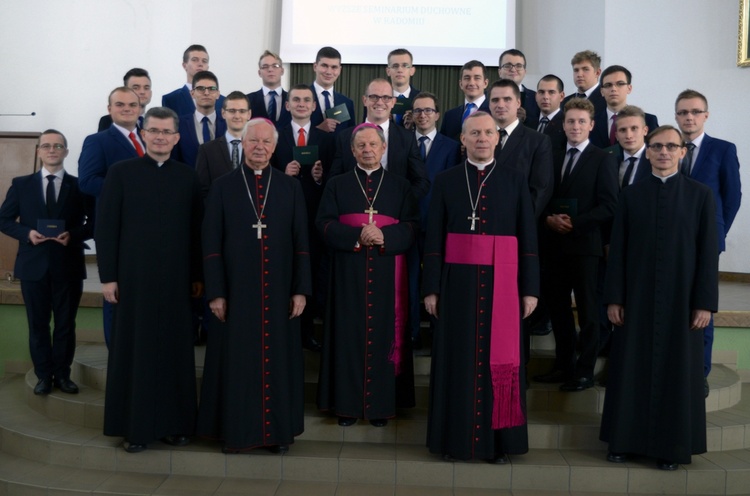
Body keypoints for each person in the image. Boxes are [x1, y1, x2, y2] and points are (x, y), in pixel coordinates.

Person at [422, 111, 539, 463]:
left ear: (498, 138)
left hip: (503, 285)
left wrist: (530, 288)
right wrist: (431, 288)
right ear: (463, 139)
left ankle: (499, 444)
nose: (482, 139)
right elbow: (433, 238)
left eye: (489, 133)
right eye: (474, 133)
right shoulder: (445, 180)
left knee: (498, 362)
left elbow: (528, 237)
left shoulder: (515, 179)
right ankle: (453, 441)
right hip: (456, 284)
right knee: (457, 361)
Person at [601, 125, 718, 470]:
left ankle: (671, 448)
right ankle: (623, 442)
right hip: (635, 300)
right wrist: (614, 298)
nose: (664, 152)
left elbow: (708, 254)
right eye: (657, 146)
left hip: (683, 303)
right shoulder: (631, 195)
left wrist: (704, 303)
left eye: (671, 146)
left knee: (676, 373)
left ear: (682, 151)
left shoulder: (700, 196)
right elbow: (618, 250)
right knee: (630, 370)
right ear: (647, 151)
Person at [198, 118, 312, 454]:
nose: (259, 147)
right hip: (235, 292)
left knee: (277, 363)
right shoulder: (222, 186)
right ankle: (236, 433)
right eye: (253, 141)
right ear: (242, 144)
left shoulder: (290, 188)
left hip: (279, 293)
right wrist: (216, 292)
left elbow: (301, 241)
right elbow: (211, 243)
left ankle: (276, 434)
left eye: (266, 142)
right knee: (237, 363)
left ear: (275, 147)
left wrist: (300, 289)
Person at [97, 107, 203, 453]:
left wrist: (198, 277)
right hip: (133, 280)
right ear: (143, 133)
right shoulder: (121, 173)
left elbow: (196, 233)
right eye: (154, 130)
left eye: (167, 132)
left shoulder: (188, 177)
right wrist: (108, 277)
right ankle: (135, 428)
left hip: (176, 282)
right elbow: (107, 229)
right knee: (136, 353)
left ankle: (175, 425)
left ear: (176, 137)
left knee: (174, 352)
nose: (160, 137)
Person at [316, 123, 418, 427]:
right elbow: (323, 224)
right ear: (352, 150)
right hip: (348, 273)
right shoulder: (337, 184)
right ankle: (346, 406)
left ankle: (380, 407)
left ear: (384, 148)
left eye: (373, 145)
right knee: (347, 336)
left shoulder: (401, 185)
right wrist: (358, 236)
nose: (367, 150)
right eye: (361, 145)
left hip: (389, 275)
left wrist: (384, 236)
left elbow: (413, 227)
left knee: (386, 334)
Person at [0, 129, 95, 396]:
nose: (52, 150)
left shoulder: (80, 186)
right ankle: (43, 375)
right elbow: (4, 220)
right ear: (38, 151)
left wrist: (73, 235)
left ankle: (63, 375)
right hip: (33, 266)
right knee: (38, 324)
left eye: (57, 146)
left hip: (68, 265)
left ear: (65, 151)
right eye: (46, 146)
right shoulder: (21, 184)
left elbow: (95, 224)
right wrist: (27, 233)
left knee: (66, 324)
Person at [534, 98, 618, 391]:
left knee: (588, 312)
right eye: (570, 121)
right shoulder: (551, 155)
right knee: (557, 310)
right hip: (553, 245)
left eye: (582, 121)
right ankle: (563, 364)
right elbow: (541, 196)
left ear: (592, 125)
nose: (575, 126)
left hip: (585, 247)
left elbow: (610, 205)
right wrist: (547, 219)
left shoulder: (603, 158)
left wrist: (576, 222)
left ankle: (584, 371)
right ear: (563, 124)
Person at [674, 89, 742, 396]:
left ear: (706, 115)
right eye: (683, 112)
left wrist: (717, 232)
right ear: (676, 116)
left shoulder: (723, 149)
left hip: (706, 240)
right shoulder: (668, 147)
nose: (689, 117)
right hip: (672, 239)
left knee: (702, 304)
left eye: (695, 112)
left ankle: (699, 371)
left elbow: (733, 197)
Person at [78, 86, 145, 348]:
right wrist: (126, 192)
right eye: (120, 105)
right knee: (116, 299)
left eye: (132, 105)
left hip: (147, 231)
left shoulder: (148, 138)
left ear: (140, 109)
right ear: (110, 109)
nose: (127, 109)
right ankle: (116, 354)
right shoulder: (98, 141)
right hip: (117, 231)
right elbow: (87, 181)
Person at [272, 84, 336, 352]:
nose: (301, 104)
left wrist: (320, 180)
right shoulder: (275, 136)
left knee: (308, 275)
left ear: (313, 106)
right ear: (287, 105)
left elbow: (334, 180)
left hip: (313, 218)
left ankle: (307, 332)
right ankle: (280, 332)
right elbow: (265, 176)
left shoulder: (327, 140)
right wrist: (283, 175)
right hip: (280, 218)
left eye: (306, 100)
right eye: (295, 99)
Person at [409, 92, 460, 348]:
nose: (423, 115)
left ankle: (438, 335)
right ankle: (413, 334)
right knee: (409, 284)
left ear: (437, 114)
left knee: (437, 283)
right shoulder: (402, 142)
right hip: (408, 223)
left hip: (438, 225)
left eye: (428, 110)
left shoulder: (451, 147)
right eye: (418, 111)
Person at [330, 78, 430, 200]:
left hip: (393, 213)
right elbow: (334, 179)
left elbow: (421, 181)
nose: (380, 102)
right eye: (374, 97)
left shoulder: (407, 138)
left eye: (386, 97)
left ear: (393, 102)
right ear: (364, 100)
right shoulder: (345, 136)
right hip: (353, 210)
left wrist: (402, 203)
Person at [488, 79, 554, 218]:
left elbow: (540, 190)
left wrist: (519, 220)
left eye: (507, 99)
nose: (500, 105)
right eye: (495, 100)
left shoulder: (538, 141)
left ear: (518, 103)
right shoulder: (479, 140)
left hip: (517, 226)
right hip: (481, 223)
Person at [195, 91, 252, 199]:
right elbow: (202, 190)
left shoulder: (258, 149)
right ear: (223, 113)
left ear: (249, 114)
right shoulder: (207, 150)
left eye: (242, 111)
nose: (237, 116)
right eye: (232, 111)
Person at [589, 65, 659, 149]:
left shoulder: (648, 120)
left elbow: (655, 150)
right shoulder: (591, 122)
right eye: (608, 85)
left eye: (620, 84)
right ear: (602, 91)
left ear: (629, 88)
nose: (614, 89)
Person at [172, 71, 227, 168]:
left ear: (218, 94)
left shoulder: (227, 122)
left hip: (221, 181)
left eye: (212, 89)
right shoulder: (179, 124)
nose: (206, 93)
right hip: (189, 181)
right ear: (192, 93)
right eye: (201, 88)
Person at [161, 44, 224, 116]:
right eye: (195, 60)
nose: (200, 64)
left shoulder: (223, 101)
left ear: (207, 67)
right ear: (184, 65)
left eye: (204, 61)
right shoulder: (171, 100)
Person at [309, 46, 356, 134]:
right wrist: (318, 129)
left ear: (340, 70)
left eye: (334, 67)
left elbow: (350, 137)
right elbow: (288, 133)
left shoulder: (347, 103)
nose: (329, 72)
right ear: (315, 66)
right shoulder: (300, 98)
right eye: (324, 66)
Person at [440, 60, 490, 142]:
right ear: (461, 84)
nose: (471, 83)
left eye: (477, 78)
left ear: (485, 83)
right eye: (467, 78)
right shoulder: (449, 116)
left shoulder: (494, 112)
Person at [368, 48, 420, 126]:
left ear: (412, 70)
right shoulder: (374, 100)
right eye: (395, 66)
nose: (400, 70)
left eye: (405, 66)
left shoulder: (421, 99)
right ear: (388, 71)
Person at [247, 50, 291, 129]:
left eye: (275, 66)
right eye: (265, 66)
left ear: (282, 71)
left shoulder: (292, 99)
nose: (270, 69)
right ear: (259, 73)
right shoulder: (248, 100)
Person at [611, 105, 652, 189]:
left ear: (645, 131)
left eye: (634, 128)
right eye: (623, 130)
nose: (628, 136)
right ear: (616, 136)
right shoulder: (609, 161)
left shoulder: (656, 160)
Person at [497, 49, 539, 127]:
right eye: (507, 66)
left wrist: (525, 119)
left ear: (524, 72)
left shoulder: (535, 98)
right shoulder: (487, 96)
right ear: (499, 72)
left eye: (518, 66)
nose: (513, 69)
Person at [562, 51, 605, 115]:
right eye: (576, 70)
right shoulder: (564, 102)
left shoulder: (606, 100)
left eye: (585, 69)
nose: (579, 74)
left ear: (597, 73)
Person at [532, 74, 567, 152]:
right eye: (541, 92)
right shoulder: (528, 122)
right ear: (536, 96)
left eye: (551, 92)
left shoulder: (567, 123)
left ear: (561, 96)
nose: (545, 97)